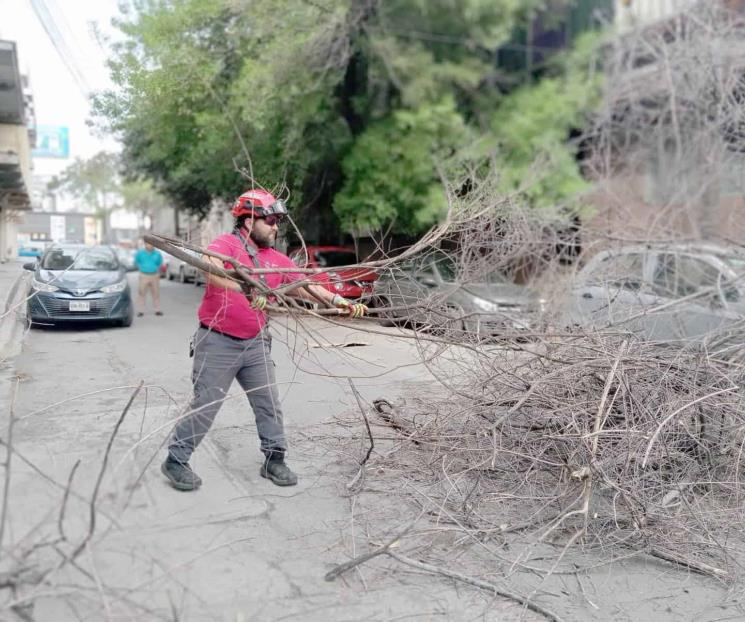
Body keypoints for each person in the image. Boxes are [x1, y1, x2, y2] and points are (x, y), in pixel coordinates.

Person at [161, 188, 367, 491]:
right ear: (248, 221)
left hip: (255, 342)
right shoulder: (227, 245)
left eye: (277, 221)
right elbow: (211, 269)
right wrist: (247, 288)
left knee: (268, 402)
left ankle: (274, 459)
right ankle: (176, 460)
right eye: (270, 220)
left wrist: (338, 300)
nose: (275, 226)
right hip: (218, 341)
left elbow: (305, 286)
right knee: (206, 403)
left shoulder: (276, 259)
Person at [134, 241, 164, 317]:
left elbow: (160, 263)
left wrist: (156, 268)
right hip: (144, 275)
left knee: (156, 293)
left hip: (154, 275)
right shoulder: (140, 253)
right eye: (148, 244)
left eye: (152, 244)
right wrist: (141, 268)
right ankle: (140, 311)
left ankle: (157, 310)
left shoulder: (157, 253)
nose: (150, 246)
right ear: (145, 244)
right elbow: (136, 262)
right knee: (142, 293)